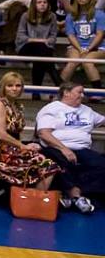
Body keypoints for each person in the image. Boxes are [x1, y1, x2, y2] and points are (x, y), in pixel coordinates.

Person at [0, 73, 62, 190]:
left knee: (47, 160)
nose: (14, 89)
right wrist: (23, 146)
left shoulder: (18, 106)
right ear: (3, 87)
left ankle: (33, 198)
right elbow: (1, 135)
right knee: (46, 164)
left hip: (13, 148)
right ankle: (33, 198)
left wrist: (27, 145)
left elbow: (15, 134)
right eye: (10, 85)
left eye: (18, 86)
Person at [36, 82, 105, 213]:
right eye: (79, 92)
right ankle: (75, 195)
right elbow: (43, 133)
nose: (82, 95)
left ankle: (77, 193)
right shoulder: (52, 108)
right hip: (56, 146)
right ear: (66, 93)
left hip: (82, 148)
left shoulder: (87, 110)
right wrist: (64, 149)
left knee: (101, 164)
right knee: (62, 161)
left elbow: (102, 120)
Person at [61, 0, 105, 89]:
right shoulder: (71, 16)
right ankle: (59, 90)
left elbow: (100, 34)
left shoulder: (100, 14)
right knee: (73, 62)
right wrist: (80, 49)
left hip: (97, 47)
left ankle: (98, 92)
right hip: (76, 46)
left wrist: (89, 49)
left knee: (87, 61)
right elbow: (70, 35)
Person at [16, 0, 62, 92]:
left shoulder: (52, 16)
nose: (42, 4)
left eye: (45, 2)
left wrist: (46, 42)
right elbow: (21, 36)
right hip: (26, 48)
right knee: (42, 52)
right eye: (39, 2)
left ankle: (36, 92)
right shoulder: (25, 16)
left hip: (44, 49)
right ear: (34, 4)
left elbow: (53, 36)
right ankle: (60, 84)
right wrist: (40, 41)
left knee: (39, 60)